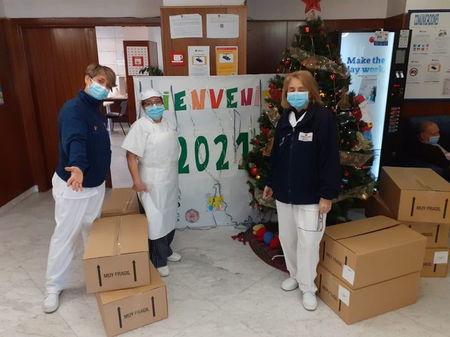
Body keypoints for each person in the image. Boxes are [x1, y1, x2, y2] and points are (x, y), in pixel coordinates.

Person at [262, 71, 340, 311]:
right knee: (288, 238)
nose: (295, 94)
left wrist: (327, 194)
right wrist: (270, 182)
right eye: (291, 90)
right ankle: (295, 276)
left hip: (311, 196)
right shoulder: (286, 118)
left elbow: (329, 159)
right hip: (284, 194)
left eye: (300, 89)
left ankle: (308, 288)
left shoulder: (323, 118)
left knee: (308, 242)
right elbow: (277, 154)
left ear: (311, 90)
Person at [43, 64, 116, 313]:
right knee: (66, 235)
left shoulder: (96, 109)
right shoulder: (74, 109)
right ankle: (53, 287)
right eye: (99, 81)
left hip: (94, 186)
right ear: (87, 79)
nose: (103, 87)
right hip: (75, 184)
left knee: (90, 232)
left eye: (107, 85)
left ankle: (96, 275)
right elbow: (75, 139)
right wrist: (77, 167)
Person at [122, 89, 181, 277]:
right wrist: (137, 181)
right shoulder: (140, 126)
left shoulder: (167, 123)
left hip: (170, 176)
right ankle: (158, 259)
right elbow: (131, 157)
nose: (154, 106)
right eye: (149, 103)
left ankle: (166, 249)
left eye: (157, 101)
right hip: (151, 178)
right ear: (143, 106)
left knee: (169, 214)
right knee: (155, 219)